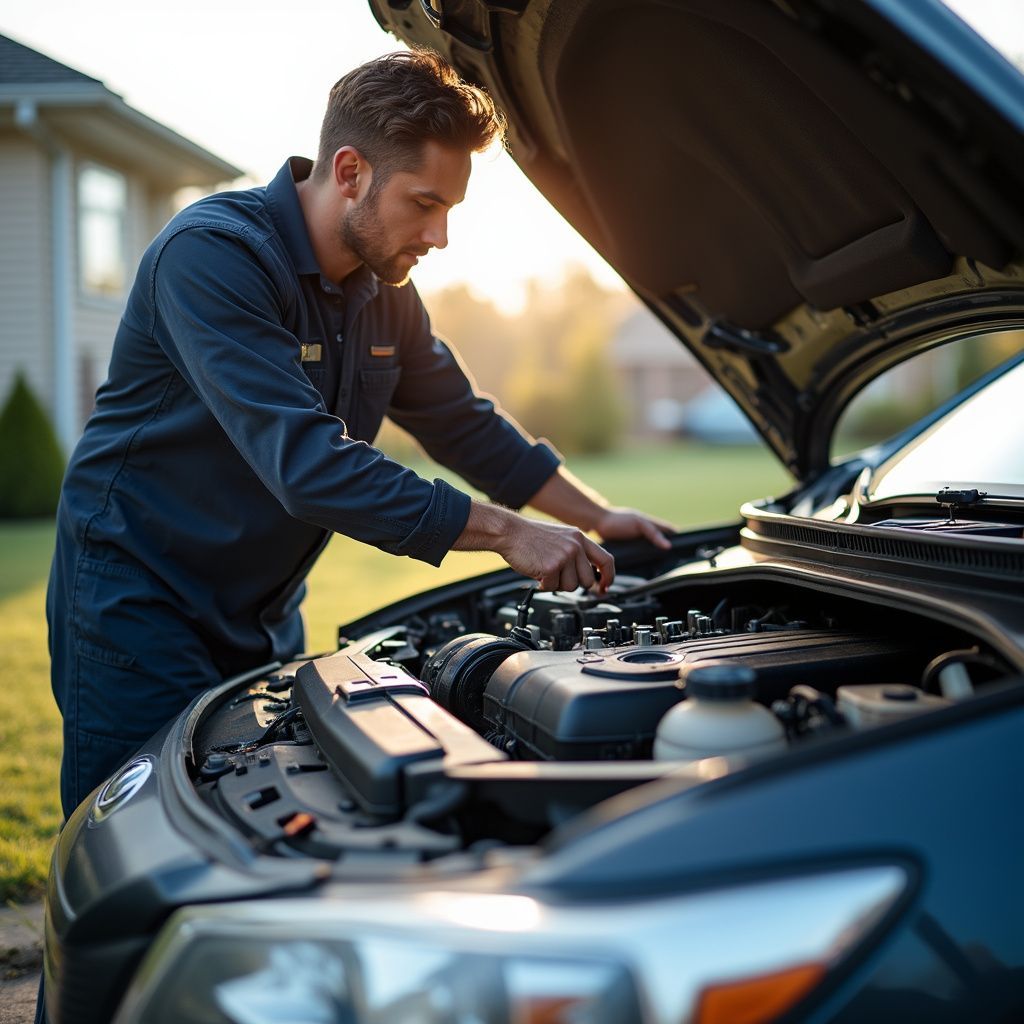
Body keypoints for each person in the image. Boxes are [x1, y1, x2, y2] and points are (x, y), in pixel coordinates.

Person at [46, 49, 673, 820]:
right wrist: (510, 534)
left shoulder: (386, 295)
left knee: (264, 824)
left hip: (264, 610)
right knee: (143, 831)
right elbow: (307, 465)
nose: (440, 236)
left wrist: (595, 517)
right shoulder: (214, 256)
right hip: (138, 598)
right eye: (424, 203)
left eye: (451, 210)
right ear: (349, 172)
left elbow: (463, 423)